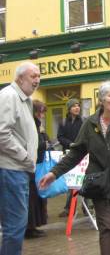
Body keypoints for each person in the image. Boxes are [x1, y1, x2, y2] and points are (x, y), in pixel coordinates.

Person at [39, 81, 110, 255]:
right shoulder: (90, 124)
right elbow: (75, 153)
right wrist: (54, 173)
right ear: (101, 99)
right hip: (100, 186)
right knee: (108, 228)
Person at [0, 62, 40, 255]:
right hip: (11, 170)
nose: (37, 80)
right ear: (19, 78)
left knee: (17, 225)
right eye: (33, 76)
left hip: (19, 170)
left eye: (39, 76)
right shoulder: (9, 96)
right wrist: (25, 157)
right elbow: (1, 134)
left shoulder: (25, 99)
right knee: (14, 227)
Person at [25, 100, 49, 239]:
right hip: (31, 165)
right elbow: (33, 143)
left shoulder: (37, 124)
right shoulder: (31, 124)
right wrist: (44, 143)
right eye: (40, 112)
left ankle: (34, 226)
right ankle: (29, 228)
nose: (42, 115)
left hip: (38, 164)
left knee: (37, 197)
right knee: (32, 198)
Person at [57, 98, 84, 217]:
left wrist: (78, 144)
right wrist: (70, 144)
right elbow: (60, 137)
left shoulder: (83, 121)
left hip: (83, 155)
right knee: (71, 182)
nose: (77, 107)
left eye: (78, 105)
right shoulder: (63, 122)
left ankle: (86, 208)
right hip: (69, 154)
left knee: (84, 181)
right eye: (74, 106)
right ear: (69, 109)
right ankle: (69, 208)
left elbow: (86, 136)